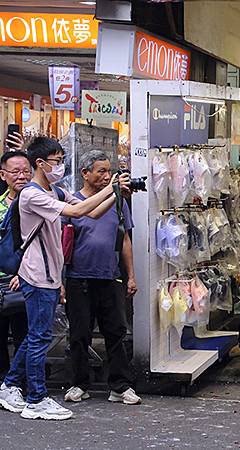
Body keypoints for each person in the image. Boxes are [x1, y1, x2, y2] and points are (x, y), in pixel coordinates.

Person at [0, 137, 129, 420]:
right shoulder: (33, 195)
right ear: (41, 163)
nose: (60, 166)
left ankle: (9, 384)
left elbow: (91, 213)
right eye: (57, 161)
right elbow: (76, 211)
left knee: (36, 336)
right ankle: (35, 398)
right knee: (39, 338)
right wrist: (111, 187)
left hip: (50, 275)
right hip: (36, 275)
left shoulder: (55, 190)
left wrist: (115, 193)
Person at [63, 150, 140, 405]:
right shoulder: (71, 203)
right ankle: (79, 384)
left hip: (110, 276)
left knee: (116, 332)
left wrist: (131, 275)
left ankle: (120, 386)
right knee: (79, 334)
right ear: (85, 173)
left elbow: (125, 239)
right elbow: (62, 245)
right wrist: (61, 282)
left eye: (109, 171)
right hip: (78, 277)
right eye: (101, 171)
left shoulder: (118, 201)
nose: (107, 176)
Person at [0, 151, 31, 382]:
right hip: (1, 280)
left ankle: (20, 383)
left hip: (27, 279)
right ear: (3, 175)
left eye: (26, 171)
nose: (21, 176)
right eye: (15, 171)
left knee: (25, 334)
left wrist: (23, 273)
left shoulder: (38, 203)